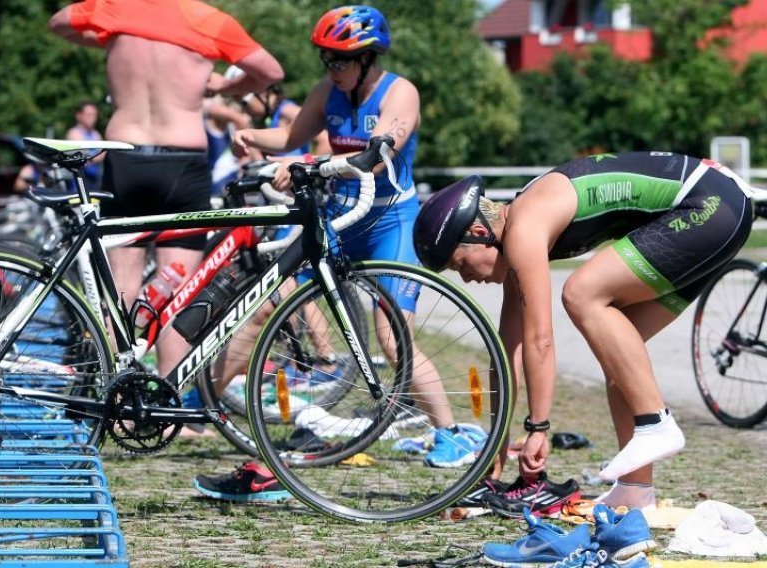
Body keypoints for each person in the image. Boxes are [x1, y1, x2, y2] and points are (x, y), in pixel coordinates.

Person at [192, 5, 484, 503]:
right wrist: (250, 137)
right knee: (266, 307)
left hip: (390, 220)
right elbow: (288, 137)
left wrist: (310, 162)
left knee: (393, 336)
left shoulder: (400, 91)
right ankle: (194, 406)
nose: (332, 68)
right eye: (326, 60)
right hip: (340, 218)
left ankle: (452, 433)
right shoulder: (326, 93)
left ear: (368, 59)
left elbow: (382, 148)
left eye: (341, 60)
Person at [412, 152, 754, 511]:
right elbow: (508, 350)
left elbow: (540, 341)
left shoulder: (524, 229)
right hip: (721, 212)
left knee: (581, 293)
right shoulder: (518, 232)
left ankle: (656, 422)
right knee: (620, 354)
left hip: (710, 206)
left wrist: (538, 428)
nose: (468, 278)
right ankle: (636, 491)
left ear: (480, 233)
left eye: (460, 265)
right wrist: (496, 447)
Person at [49, 0, 284, 382]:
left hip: (125, 157)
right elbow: (270, 70)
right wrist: (227, 84)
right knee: (179, 287)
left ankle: (114, 392)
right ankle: (170, 398)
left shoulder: (117, 10)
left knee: (121, 288)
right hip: (182, 162)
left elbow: (59, 22)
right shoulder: (206, 19)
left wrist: (108, 39)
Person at [66, 101, 104, 190]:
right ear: (79, 115)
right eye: (89, 115)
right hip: (79, 183)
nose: (93, 118)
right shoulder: (74, 133)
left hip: (94, 180)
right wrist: (98, 156)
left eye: (95, 115)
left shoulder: (96, 134)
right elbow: (83, 157)